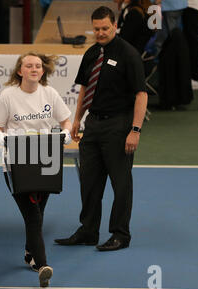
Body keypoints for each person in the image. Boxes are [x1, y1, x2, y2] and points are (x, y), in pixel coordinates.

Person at [54, 6, 147, 251]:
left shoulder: (129, 54)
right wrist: (77, 119)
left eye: (105, 28)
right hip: (92, 125)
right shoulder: (92, 53)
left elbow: (141, 94)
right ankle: (88, 231)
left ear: (115, 26)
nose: (101, 32)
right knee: (89, 182)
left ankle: (120, 234)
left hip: (119, 125)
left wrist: (135, 130)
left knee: (121, 183)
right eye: (96, 29)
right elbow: (85, 88)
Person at [0, 52, 73, 287]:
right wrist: (1, 137)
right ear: (20, 71)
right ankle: (43, 264)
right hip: (16, 162)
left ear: (43, 71)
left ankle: (29, 253)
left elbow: (66, 120)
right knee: (33, 215)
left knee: (38, 212)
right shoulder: (8, 96)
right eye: (29, 65)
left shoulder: (50, 94)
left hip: (46, 161)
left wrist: (66, 134)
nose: (34, 69)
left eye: (38, 66)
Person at [182, 0, 198, 90]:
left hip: (193, 5)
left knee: (191, 39)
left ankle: (195, 78)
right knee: (189, 39)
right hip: (187, 5)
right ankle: (191, 76)